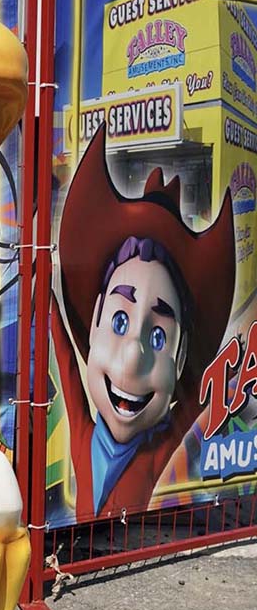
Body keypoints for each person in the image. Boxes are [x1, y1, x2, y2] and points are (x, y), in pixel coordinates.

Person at [52, 128, 236, 517]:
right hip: (90, 552)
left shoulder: (155, 451)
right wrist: (43, 298)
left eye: (158, 336)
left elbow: (194, 401)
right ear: (97, 315)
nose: (133, 360)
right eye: (119, 320)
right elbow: (68, 366)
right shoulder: (85, 438)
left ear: (181, 353)